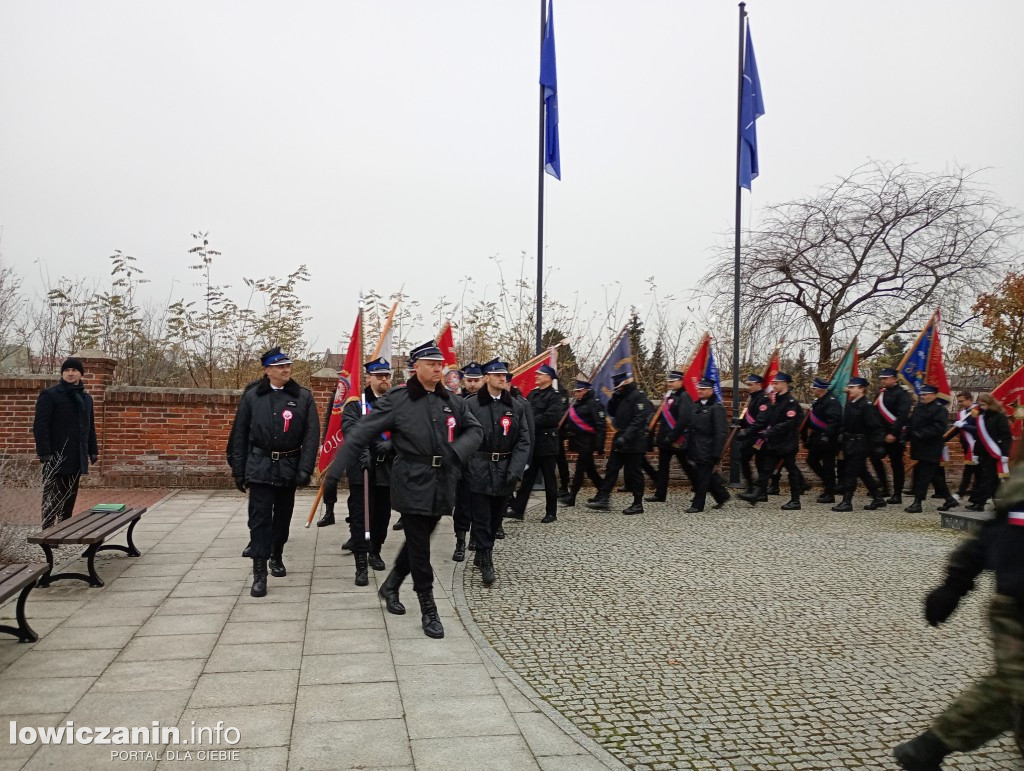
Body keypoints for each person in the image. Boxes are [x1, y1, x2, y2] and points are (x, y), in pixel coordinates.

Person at [324, 341, 483, 639]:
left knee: (418, 539)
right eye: (431, 363)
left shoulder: (452, 400)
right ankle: (428, 606)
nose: (438, 368)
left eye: (440, 363)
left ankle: (392, 583)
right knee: (421, 547)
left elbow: (475, 430)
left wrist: (456, 452)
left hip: (443, 481)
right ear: (415, 367)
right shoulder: (398, 400)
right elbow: (361, 432)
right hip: (411, 479)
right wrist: (335, 472)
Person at [892, 462, 1024, 770]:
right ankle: (929, 747)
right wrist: (955, 584)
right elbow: (998, 531)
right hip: (1019, 606)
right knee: (1014, 684)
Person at [229, 347, 319, 597]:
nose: (286, 369)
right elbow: (239, 434)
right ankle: (259, 572)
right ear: (267, 370)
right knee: (259, 520)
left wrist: (305, 469)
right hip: (259, 465)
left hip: (288, 466)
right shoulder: (252, 397)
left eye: (288, 365)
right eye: (280, 366)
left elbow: (311, 436)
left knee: (282, 517)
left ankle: (276, 554)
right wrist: (239, 470)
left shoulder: (303, 397)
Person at [463, 358, 531, 584]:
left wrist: (516, 469)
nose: (503, 378)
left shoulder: (516, 406)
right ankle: (487, 559)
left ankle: (482, 551)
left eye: (505, 375)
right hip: (479, 467)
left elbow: (523, 441)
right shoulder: (471, 405)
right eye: (498, 375)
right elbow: (463, 437)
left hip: (505, 469)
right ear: (487, 378)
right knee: (481, 517)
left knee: (495, 517)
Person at [341, 358, 396, 586]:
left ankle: (375, 550)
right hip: (363, 466)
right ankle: (361, 563)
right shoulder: (356, 404)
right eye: (379, 375)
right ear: (369, 378)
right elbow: (351, 428)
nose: (384, 379)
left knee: (382, 516)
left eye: (387, 375)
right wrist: (364, 450)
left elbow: (406, 429)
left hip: (387, 468)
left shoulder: (396, 403)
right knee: (361, 516)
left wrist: (393, 445)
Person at [33, 356, 98, 529]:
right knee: (52, 497)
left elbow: (89, 426)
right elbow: (40, 426)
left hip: (76, 456)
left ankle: (63, 530)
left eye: (74, 370)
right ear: (62, 373)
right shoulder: (50, 395)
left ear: (80, 374)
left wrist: (93, 450)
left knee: (69, 496)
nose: (70, 373)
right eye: (67, 370)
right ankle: (48, 534)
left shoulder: (86, 399)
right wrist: (44, 453)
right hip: (55, 455)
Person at [586, 372, 654, 515]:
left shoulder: (638, 397)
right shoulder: (621, 396)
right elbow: (611, 412)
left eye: (619, 385)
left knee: (635, 473)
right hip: (621, 438)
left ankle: (637, 503)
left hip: (634, 441)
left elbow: (639, 420)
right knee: (611, 469)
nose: (617, 388)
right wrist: (614, 398)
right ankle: (604, 498)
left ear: (625, 383)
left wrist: (626, 437)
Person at [738, 373, 805, 510]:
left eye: (777, 383)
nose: (773, 386)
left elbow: (789, 423)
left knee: (792, 471)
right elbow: (769, 419)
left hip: (786, 443)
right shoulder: (776, 401)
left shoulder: (790, 403)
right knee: (766, 470)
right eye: (773, 383)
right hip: (774, 443)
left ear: (785, 384)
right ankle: (756, 494)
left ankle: (795, 500)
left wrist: (769, 432)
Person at [508, 364, 564, 524]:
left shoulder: (555, 397)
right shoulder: (532, 394)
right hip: (533, 443)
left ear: (548, 377)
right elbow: (524, 411)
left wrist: (529, 421)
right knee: (527, 478)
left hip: (547, 444)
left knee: (549, 480)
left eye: (540, 374)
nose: (537, 376)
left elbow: (551, 417)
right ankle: (518, 509)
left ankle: (551, 512)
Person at [831, 376, 887, 512]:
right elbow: (846, 423)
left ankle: (847, 501)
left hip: (860, 443)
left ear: (861, 389)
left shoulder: (867, 406)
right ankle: (878, 498)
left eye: (852, 387)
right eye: (849, 387)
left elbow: (876, 427)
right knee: (862, 472)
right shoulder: (851, 403)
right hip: (849, 442)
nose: (849, 389)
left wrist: (877, 446)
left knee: (850, 473)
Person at [904, 385, 958, 514]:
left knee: (923, 476)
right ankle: (949, 499)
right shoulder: (918, 408)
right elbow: (910, 425)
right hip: (919, 447)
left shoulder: (939, 410)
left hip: (931, 447)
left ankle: (917, 503)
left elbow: (938, 428)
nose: (923, 397)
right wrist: (904, 437)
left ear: (934, 395)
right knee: (934, 477)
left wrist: (921, 434)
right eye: (922, 394)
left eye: (926, 394)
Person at [646, 370, 695, 504]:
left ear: (680, 381)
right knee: (663, 468)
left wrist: (672, 437)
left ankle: (701, 488)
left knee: (687, 467)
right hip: (665, 439)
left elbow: (684, 419)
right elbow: (662, 414)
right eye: (669, 381)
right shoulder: (668, 396)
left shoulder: (685, 396)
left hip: (677, 440)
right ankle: (660, 494)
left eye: (672, 381)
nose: (670, 384)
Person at [452, 361, 483, 561]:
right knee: (462, 504)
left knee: (479, 504)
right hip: (463, 461)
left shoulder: (488, 403)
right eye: (469, 380)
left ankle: (476, 538)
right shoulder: (457, 401)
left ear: (483, 380)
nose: (472, 384)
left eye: (476, 380)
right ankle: (460, 541)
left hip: (482, 461)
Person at [559, 378, 607, 507]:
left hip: (588, 443)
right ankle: (603, 490)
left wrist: (599, 445)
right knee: (590, 470)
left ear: (586, 391)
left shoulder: (594, 404)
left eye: (579, 391)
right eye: (575, 391)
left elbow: (600, 425)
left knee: (580, 470)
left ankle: (572, 496)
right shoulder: (576, 404)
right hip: (578, 442)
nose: (576, 393)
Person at [685, 379, 730, 513]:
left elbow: (721, 432)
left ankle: (698, 505)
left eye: (703, 389)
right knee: (705, 476)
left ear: (711, 390)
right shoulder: (696, 406)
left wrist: (716, 453)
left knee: (702, 478)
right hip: (696, 447)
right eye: (699, 389)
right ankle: (722, 496)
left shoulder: (717, 408)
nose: (700, 391)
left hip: (707, 448)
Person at [872, 367, 913, 504]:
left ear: (895, 379)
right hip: (880, 434)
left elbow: (902, 416)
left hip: (895, 434)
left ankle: (897, 493)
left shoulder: (902, 394)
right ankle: (884, 486)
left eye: (886, 378)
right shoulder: (881, 394)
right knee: (875, 456)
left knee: (896, 464)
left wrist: (893, 433)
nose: (883, 380)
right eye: (882, 378)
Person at [965, 391, 1012, 512]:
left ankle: (978, 503)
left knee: (987, 478)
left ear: (990, 403)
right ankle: (1000, 505)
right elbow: (979, 437)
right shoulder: (981, 416)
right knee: (992, 480)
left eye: (983, 404)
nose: (981, 407)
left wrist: (1005, 454)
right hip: (983, 452)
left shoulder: (999, 416)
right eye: (979, 404)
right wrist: (975, 454)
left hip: (995, 452)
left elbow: (1006, 437)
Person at [803, 377, 842, 504]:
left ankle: (830, 493)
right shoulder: (818, 401)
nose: (812, 390)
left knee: (828, 466)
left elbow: (834, 421)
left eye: (814, 388)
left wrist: (827, 435)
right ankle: (828, 484)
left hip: (828, 440)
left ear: (821, 389)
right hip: (817, 438)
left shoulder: (831, 402)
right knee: (811, 460)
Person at [734, 374, 772, 498]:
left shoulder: (764, 400)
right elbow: (750, 420)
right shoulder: (752, 399)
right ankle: (752, 488)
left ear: (758, 384)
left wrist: (745, 433)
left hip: (759, 438)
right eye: (748, 384)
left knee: (759, 463)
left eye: (751, 384)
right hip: (752, 436)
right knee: (744, 458)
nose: (748, 387)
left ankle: (760, 492)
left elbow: (761, 422)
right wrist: (741, 422)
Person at [952, 391, 979, 501]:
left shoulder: (977, 411)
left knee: (974, 472)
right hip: (967, 446)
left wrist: (964, 425)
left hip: (977, 447)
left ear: (970, 399)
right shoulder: (962, 413)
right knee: (972, 472)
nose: (960, 403)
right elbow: (956, 430)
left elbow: (979, 430)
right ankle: (972, 495)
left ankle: (962, 494)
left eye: (962, 401)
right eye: (958, 401)